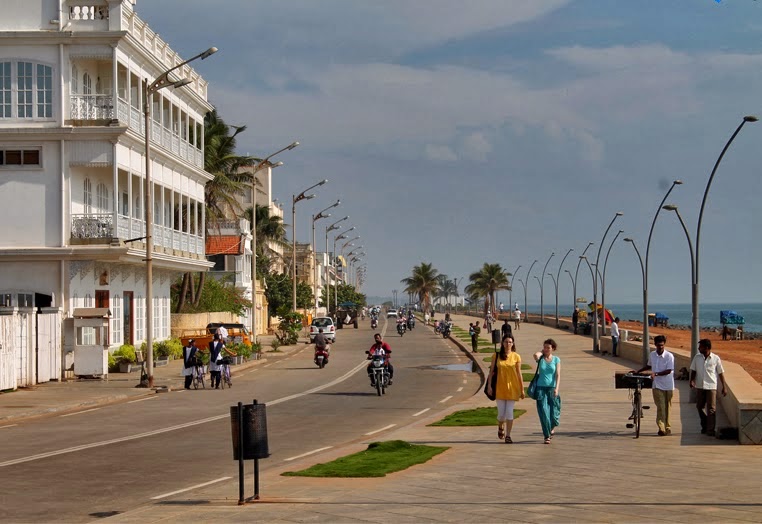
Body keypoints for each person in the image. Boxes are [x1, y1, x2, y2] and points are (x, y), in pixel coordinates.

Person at [633, 335, 674, 436]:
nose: (660, 347)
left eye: (662, 346)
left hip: (668, 385)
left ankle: (667, 427)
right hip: (657, 385)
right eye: (659, 345)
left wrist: (656, 374)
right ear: (655, 345)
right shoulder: (652, 355)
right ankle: (661, 427)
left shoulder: (669, 356)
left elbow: (669, 370)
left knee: (667, 407)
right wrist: (638, 371)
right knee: (660, 406)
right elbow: (649, 365)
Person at [486, 335, 524, 443]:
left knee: (509, 412)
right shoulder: (496, 356)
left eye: (510, 342)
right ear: (502, 343)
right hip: (500, 388)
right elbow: (491, 372)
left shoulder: (516, 356)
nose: (508, 344)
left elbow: (519, 373)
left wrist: (521, 389)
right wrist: (489, 386)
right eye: (506, 342)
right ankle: (500, 425)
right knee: (501, 414)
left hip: (512, 387)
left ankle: (508, 435)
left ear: (513, 344)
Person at [690, 339, 727, 436]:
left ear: (706, 348)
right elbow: (693, 370)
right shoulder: (697, 358)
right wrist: (692, 380)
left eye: (701, 346)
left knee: (711, 409)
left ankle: (710, 430)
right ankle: (705, 424)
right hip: (700, 386)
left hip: (711, 386)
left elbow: (720, 373)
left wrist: (724, 386)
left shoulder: (715, 358)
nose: (698, 348)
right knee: (699, 407)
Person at [533, 338, 561, 444]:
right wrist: (542, 351)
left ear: (553, 348)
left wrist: (557, 388)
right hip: (540, 388)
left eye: (548, 348)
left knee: (554, 414)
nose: (546, 349)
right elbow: (535, 355)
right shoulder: (540, 359)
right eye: (545, 347)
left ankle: (551, 427)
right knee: (543, 412)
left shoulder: (556, 360)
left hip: (552, 388)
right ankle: (547, 435)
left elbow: (558, 375)